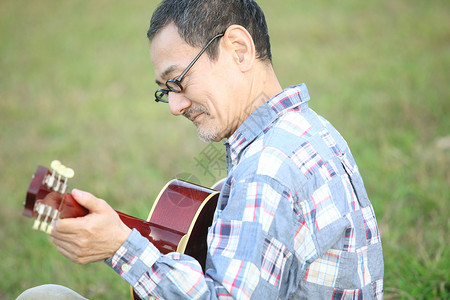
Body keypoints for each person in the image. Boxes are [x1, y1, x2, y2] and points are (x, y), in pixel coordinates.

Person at [18, 0, 384, 299]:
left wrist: (119, 246)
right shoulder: (311, 128)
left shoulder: (267, 169)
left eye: (178, 81)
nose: (175, 106)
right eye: (166, 91)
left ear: (239, 50)